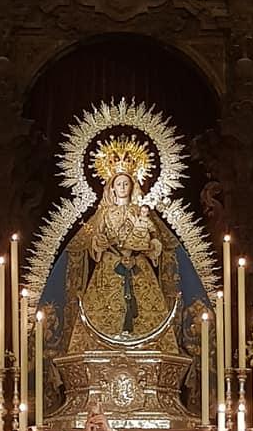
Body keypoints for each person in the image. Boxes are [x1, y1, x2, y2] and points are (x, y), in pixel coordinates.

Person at [66, 152, 177, 355]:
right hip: (109, 267)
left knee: (145, 313)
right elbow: (95, 240)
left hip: (138, 266)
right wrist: (100, 243)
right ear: (112, 187)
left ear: (132, 186)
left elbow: (154, 237)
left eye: (126, 183)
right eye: (119, 184)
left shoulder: (140, 212)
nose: (123, 188)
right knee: (104, 312)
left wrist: (151, 244)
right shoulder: (105, 213)